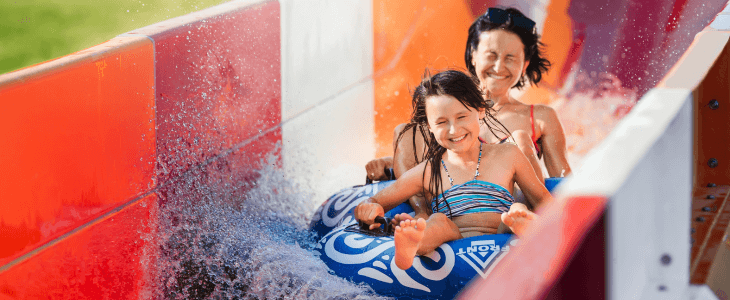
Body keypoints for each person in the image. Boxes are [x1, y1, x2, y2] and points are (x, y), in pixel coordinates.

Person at [354, 70, 553, 270]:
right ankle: (414, 244)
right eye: (441, 122)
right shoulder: (428, 170)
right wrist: (370, 208)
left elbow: (544, 200)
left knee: (518, 210)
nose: (453, 130)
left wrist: (530, 215)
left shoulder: (508, 155)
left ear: (480, 110)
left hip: (503, 231)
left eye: (461, 117)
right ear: (429, 127)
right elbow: (378, 200)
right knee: (439, 221)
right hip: (455, 239)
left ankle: (527, 227)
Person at [366, 7, 571, 184]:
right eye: (491, 55)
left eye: (511, 58)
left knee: (520, 141)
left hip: (512, 209)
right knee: (406, 130)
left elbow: (562, 181)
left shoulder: (541, 118)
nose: (499, 67)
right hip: (453, 210)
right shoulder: (446, 108)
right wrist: (389, 164)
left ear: (525, 64)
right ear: (473, 56)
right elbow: (426, 160)